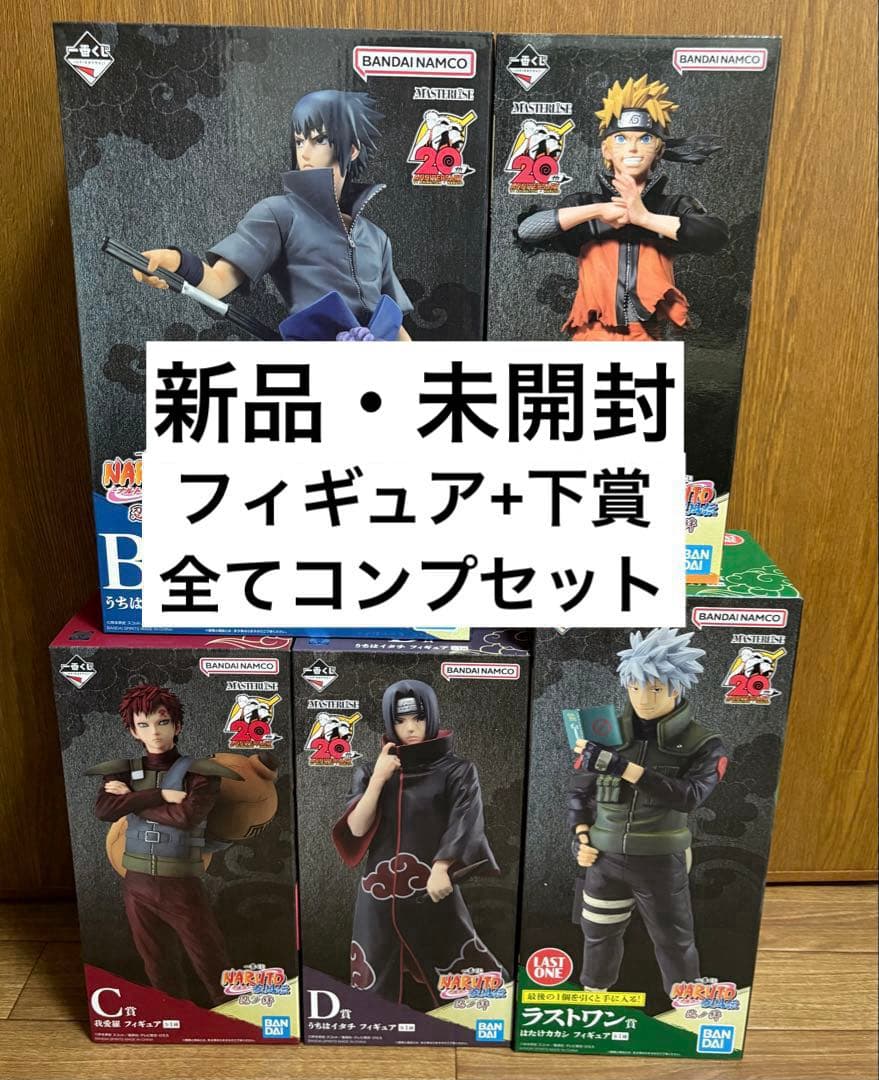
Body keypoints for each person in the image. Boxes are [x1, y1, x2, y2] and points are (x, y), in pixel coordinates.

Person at [132, 89, 412, 340]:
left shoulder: (376, 238)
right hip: (315, 363)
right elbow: (218, 282)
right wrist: (178, 262)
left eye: (320, 140)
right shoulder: (280, 214)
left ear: (351, 149)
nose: (305, 153)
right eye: (299, 141)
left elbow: (395, 324)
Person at [567, 628, 728, 994]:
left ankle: (685, 1010)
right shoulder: (603, 732)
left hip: (660, 861)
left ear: (676, 688)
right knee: (597, 935)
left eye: (655, 689)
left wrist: (624, 769)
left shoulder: (704, 744)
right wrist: (580, 837)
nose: (643, 698)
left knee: (674, 941)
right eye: (635, 686)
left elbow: (690, 797)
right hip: (603, 858)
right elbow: (578, 793)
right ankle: (592, 1002)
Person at [332, 679, 505, 1008]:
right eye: (400, 721)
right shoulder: (369, 771)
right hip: (378, 893)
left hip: (431, 887)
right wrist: (379, 778)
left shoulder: (457, 770)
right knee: (373, 976)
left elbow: (465, 820)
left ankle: (472, 1020)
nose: (410, 728)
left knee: (460, 964)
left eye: (418, 718)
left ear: (432, 717)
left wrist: (442, 867)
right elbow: (356, 827)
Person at [517, 75, 729, 340]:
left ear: (659, 150)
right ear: (606, 150)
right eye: (620, 139)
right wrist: (597, 211)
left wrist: (644, 218)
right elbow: (527, 231)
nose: (633, 148)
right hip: (591, 334)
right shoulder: (584, 204)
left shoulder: (671, 206)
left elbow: (715, 236)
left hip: (647, 334)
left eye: (645, 139)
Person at [88, 684, 241, 1005]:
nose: (154, 732)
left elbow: (185, 816)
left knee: (211, 960)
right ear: (133, 731)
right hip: (136, 883)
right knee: (156, 963)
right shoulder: (122, 771)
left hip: (180, 883)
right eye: (143, 724)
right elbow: (104, 810)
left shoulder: (200, 772)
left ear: (177, 725)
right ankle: (175, 1018)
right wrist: (158, 795)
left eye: (163, 722)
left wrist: (131, 800)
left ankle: (237, 1019)